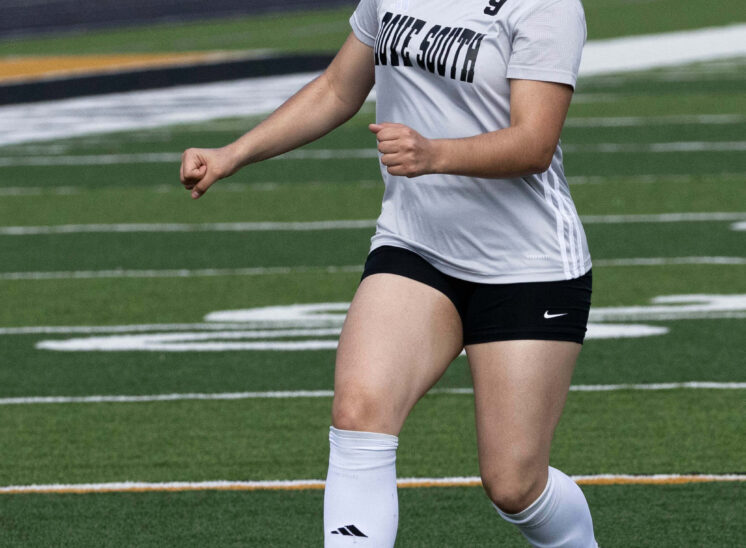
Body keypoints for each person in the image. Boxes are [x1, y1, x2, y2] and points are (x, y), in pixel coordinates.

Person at [180, 0, 597, 545]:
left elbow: (535, 142)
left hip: (527, 266)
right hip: (415, 244)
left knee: (514, 485)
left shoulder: (545, 6)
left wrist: (434, 154)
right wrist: (232, 154)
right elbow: (337, 89)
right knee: (359, 413)